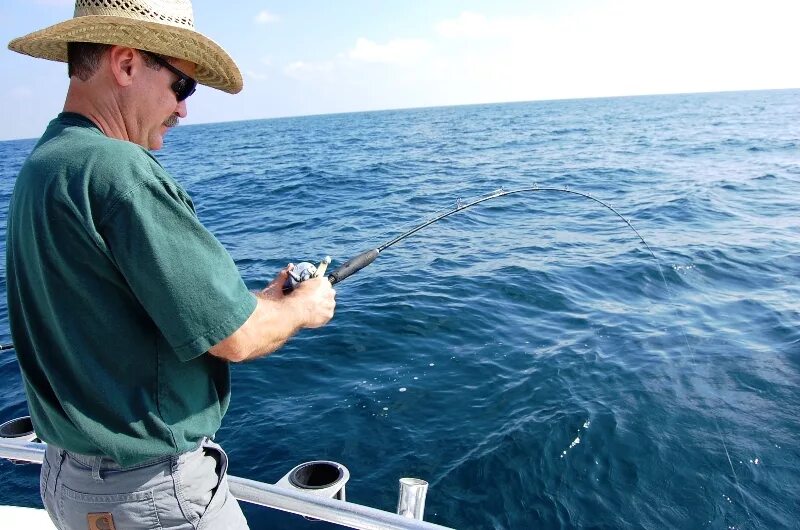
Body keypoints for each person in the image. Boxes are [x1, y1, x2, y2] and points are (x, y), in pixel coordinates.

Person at [6, 1, 336, 528]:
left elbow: (123, 310)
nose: (184, 110)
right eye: (182, 86)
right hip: (149, 495)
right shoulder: (119, 171)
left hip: (69, 479)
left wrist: (269, 300)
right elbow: (237, 339)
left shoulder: (46, 165)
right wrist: (306, 307)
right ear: (127, 64)